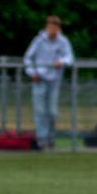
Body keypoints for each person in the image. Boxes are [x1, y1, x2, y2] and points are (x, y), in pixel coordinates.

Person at [24, 15, 75, 149]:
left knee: (52, 112)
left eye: (55, 27)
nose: (53, 30)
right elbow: (28, 58)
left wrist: (61, 62)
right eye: (51, 27)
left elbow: (70, 58)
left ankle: (51, 136)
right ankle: (41, 138)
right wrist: (32, 73)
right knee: (40, 111)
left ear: (59, 28)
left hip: (54, 81)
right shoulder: (39, 40)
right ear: (47, 27)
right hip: (39, 79)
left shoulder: (63, 41)